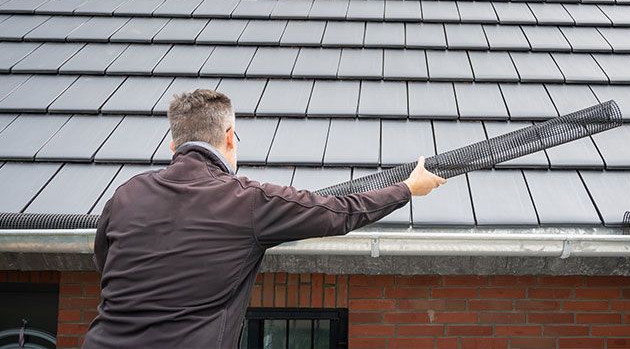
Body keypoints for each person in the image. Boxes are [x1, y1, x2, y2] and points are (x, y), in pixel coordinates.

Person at [83, 89, 446, 348]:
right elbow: (339, 212)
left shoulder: (125, 195)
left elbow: (105, 262)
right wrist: (408, 188)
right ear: (229, 137)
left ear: (173, 145)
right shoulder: (248, 201)